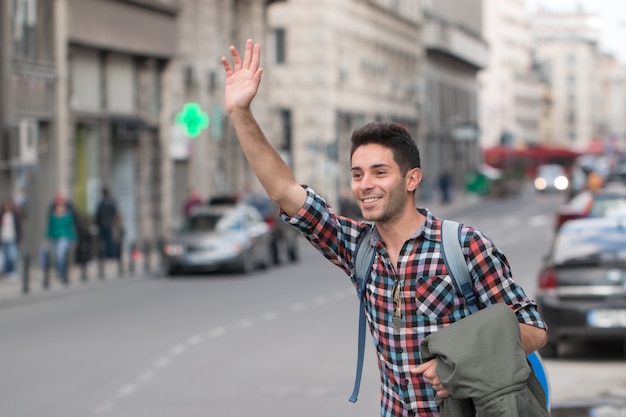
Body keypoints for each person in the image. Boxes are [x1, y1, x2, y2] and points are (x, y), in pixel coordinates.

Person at [222, 39, 547, 416]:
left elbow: (533, 329)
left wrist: (461, 364)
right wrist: (240, 113)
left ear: (411, 179)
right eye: (357, 174)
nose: (365, 184)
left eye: (380, 172)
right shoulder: (357, 248)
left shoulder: (464, 247)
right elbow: (284, 190)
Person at [45, 192, 78, 279]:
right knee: (55, 256)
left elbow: (70, 228)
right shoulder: (52, 214)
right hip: (54, 237)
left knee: (61, 254)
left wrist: (73, 237)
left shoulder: (68, 215)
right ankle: (59, 271)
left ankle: (62, 271)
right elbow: (50, 227)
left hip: (64, 237)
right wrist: (48, 235)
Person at [0, 198, 22, 282]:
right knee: (5, 257)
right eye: (6, 205)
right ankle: (7, 272)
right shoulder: (2, 215)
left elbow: (19, 227)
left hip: (12, 238)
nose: (7, 206)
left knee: (12, 256)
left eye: (8, 204)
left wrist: (20, 238)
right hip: (4, 239)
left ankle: (12, 272)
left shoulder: (14, 215)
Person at [95, 186, 120, 258]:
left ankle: (106, 255)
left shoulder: (101, 203)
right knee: (110, 240)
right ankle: (111, 255)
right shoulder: (111, 202)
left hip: (102, 224)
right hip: (110, 224)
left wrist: (97, 223)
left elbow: (98, 215)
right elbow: (115, 213)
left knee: (104, 241)